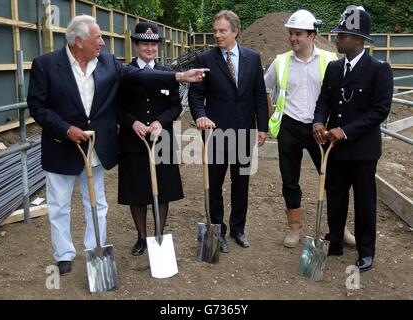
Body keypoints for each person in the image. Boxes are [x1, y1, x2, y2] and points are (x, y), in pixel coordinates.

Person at [27, 15, 207, 276]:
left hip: (94, 147)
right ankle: (64, 254)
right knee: (59, 204)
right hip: (61, 145)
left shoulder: (107, 62)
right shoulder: (46, 65)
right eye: (97, 37)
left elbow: (140, 76)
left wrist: (179, 75)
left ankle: (95, 248)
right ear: (78, 41)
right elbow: (37, 106)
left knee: (97, 203)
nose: (102, 42)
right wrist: (65, 129)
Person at [264, 9, 356, 248]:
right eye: (291, 33)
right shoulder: (281, 61)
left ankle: (340, 228)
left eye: (298, 34)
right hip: (290, 127)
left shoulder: (329, 60)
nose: (293, 38)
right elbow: (264, 86)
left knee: (333, 180)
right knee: (290, 180)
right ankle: (295, 227)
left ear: (312, 35)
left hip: (321, 129)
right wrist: (272, 112)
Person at [313, 6, 393, 272]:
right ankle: (335, 240)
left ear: (359, 40)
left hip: (362, 151)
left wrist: (344, 130)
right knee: (335, 197)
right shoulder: (334, 68)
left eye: (343, 35)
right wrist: (318, 122)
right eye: (338, 34)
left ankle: (366, 251)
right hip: (334, 149)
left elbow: (379, 111)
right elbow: (324, 100)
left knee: (364, 202)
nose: (337, 39)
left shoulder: (379, 70)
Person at [188, 10, 268, 253]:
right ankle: (217, 230)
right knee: (214, 184)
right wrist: (200, 116)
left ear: (236, 31)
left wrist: (262, 127)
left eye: (222, 30)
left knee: (240, 183)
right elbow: (196, 94)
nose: (217, 35)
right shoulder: (205, 59)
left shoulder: (252, 59)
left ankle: (238, 229)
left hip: (244, 132)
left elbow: (259, 96)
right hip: (215, 134)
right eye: (215, 30)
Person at [117, 22, 184, 256]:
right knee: (136, 191)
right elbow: (116, 107)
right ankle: (142, 237)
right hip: (133, 141)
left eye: (153, 44)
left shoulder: (168, 74)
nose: (149, 48)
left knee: (163, 189)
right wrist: (132, 122)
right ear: (136, 45)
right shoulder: (124, 73)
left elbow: (176, 106)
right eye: (144, 44)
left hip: (161, 140)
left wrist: (160, 122)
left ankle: (158, 235)